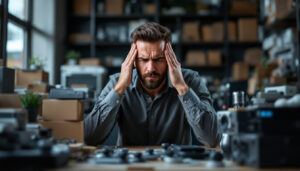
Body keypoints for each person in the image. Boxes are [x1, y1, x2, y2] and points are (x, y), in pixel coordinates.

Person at [84, 22, 221, 147]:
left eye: (158, 59)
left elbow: (212, 139)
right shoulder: (117, 82)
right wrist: (120, 89)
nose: (151, 68)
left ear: (169, 58)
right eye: (143, 60)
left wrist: (181, 87)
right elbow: (89, 137)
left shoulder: (189, 80)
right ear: (133, 60)